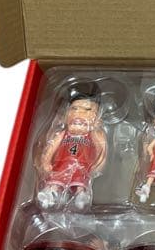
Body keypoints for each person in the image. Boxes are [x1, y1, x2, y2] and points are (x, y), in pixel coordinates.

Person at [36, 82, 107, 210]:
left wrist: (97, 166)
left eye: (88, 110)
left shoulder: (92, 135)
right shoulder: (63, 134)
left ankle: (80, 196)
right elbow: (51, 147)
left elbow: (101, 150)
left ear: (96, 116)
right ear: (67, 113)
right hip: (61, 164)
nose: (80, 113)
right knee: (56, 179)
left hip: (81, 166)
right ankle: (52, 194)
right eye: (74, 109)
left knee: (80, 180)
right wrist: (46, 161)